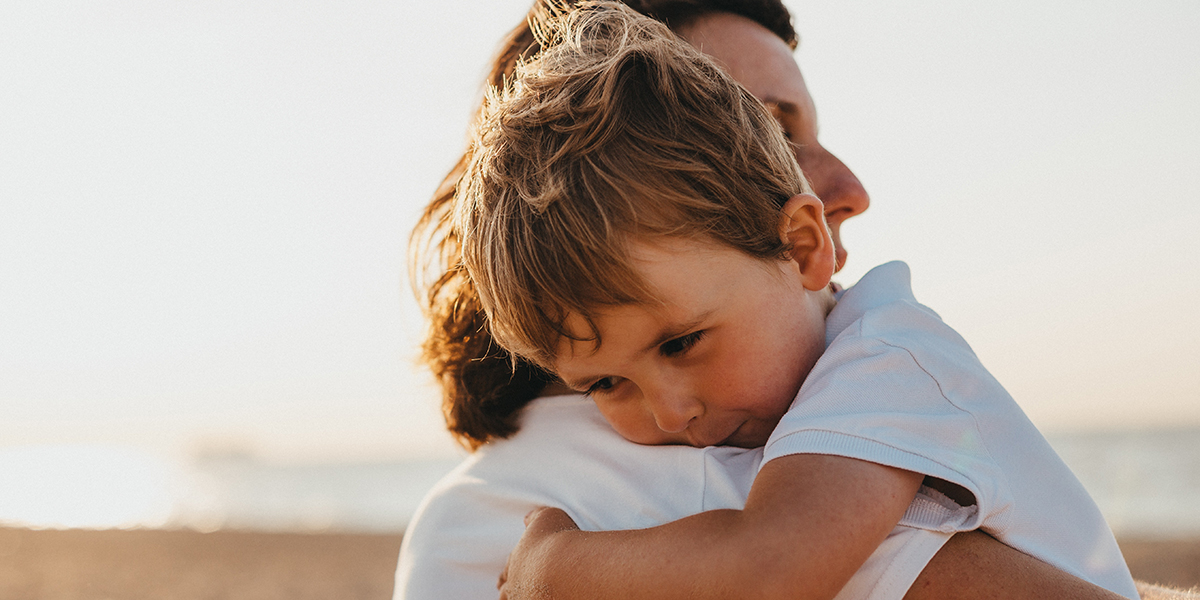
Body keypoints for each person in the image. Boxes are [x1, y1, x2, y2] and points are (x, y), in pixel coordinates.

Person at [397, 1, 1182, 599]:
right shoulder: (658, 473)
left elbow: (772, 558)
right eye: (765, 130)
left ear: (799, 245)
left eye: (679, 344)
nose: (667, 414)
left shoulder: (878, 363)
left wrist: (557, 566)